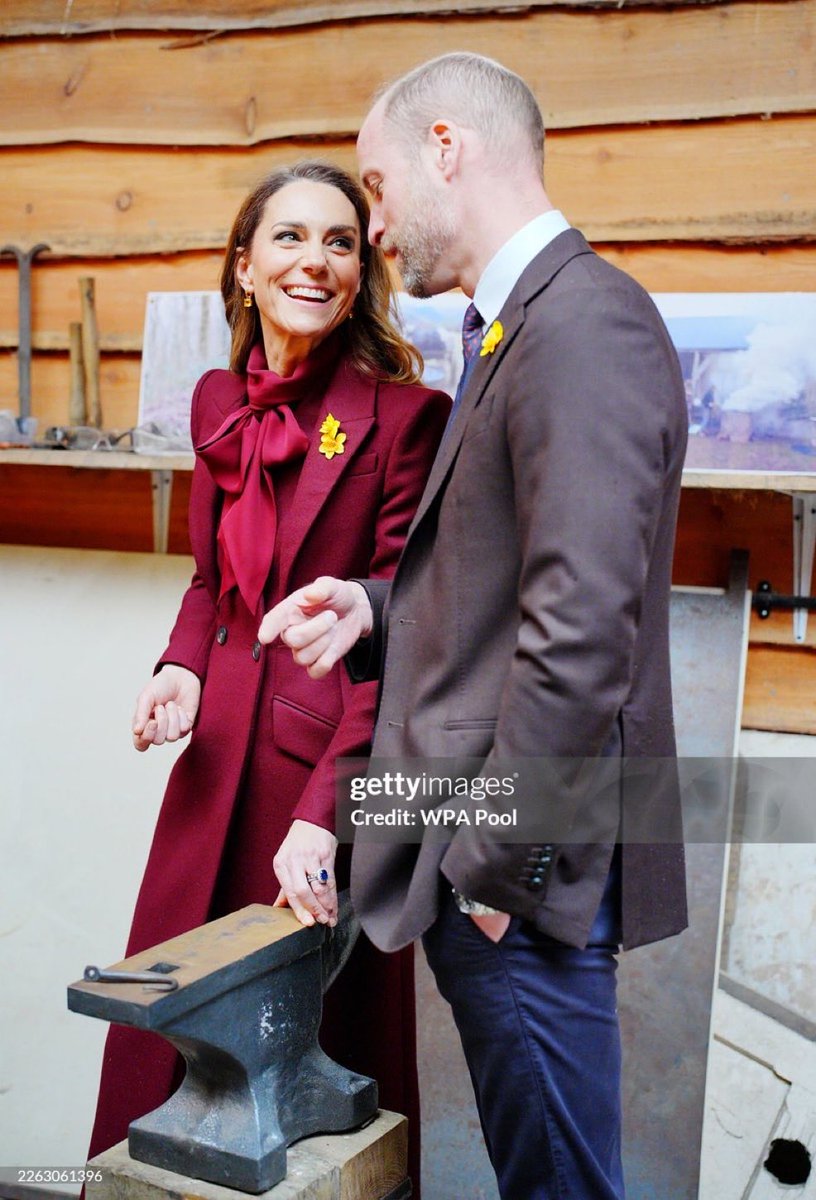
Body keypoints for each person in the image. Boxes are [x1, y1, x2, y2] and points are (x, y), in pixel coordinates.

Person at [259, 54, 689, 1200]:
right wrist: (371, 605)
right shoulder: (515, 329)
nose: (376, 224)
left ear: (446, 147)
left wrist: (495, 872)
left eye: (379, 185)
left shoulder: (583, 324)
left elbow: (582, 633)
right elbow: (504, 589)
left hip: (518, 865)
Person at [85, 159, 450, 1193]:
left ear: (358, 274)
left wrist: (326, 813)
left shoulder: (400, 419)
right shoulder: (216, 402)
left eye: (339, 241)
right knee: (164, 1032)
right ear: (244, 267)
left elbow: (400, 635)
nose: (315, 261)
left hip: (319, 786)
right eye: (288, 238)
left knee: (300, 1084)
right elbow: (211, 582)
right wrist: (179, 668)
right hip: (209, 776)